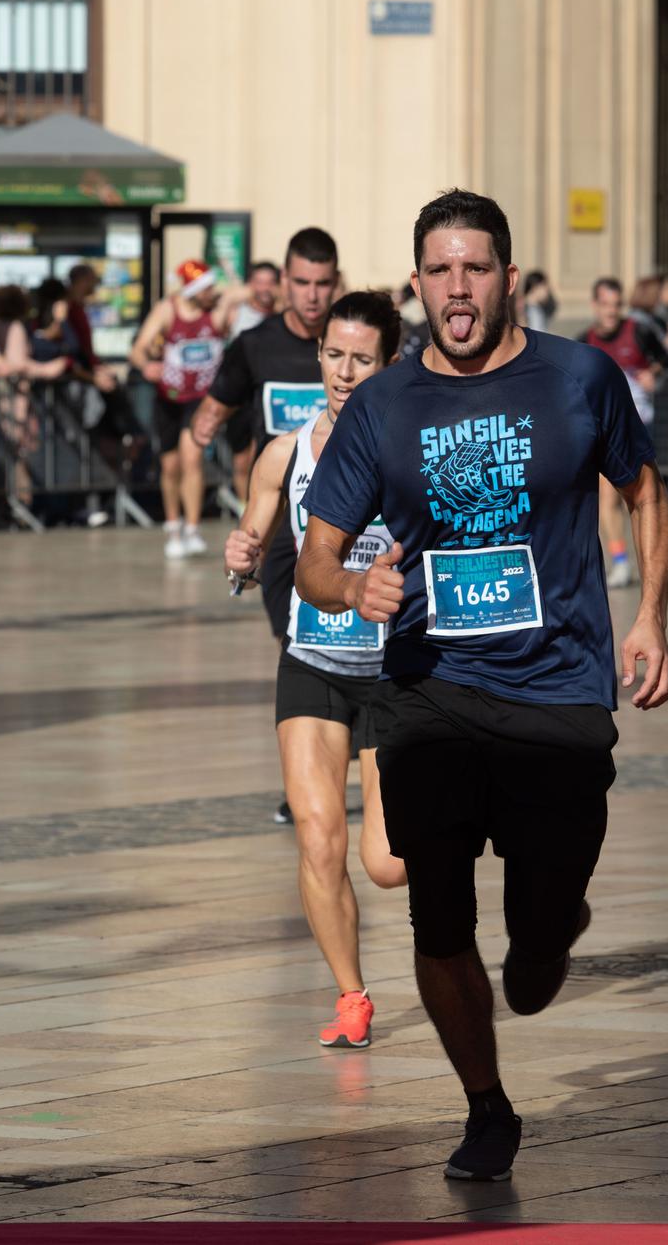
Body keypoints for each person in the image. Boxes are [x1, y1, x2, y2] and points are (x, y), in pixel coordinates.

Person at [297, 189, 668, 1184]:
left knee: (536, 952)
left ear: (508, 278)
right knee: (437, 909)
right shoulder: (381, 404)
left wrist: (649, 617)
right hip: (427, 686)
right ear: (414, 282)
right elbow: (314, 561)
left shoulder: (579, 377)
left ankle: (552, 931)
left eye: (474, 268)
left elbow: (644, 489)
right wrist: (351, 584)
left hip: (557, 691)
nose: (456, 288)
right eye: (438, 270)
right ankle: (485, 1107)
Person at [222, 290, 410, 1050]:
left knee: (389, 864)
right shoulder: (285, 451)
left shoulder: (411, 447)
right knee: (318, 835)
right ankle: (352, 995)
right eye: (334, 354)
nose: (344, 371)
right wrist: (238, 557)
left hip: (394, 669)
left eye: (363, 358)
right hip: (311, 663)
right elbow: (252, 534)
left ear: (390, 362)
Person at [193, 228, 341, 641]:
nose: (312, 295)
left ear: (337, 281)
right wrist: (206, 421)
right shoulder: (255, 345)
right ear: (283, 280)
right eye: (302, 283)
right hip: (282, 523)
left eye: (322, 283)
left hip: (355, 523)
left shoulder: (351, 341)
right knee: (294, 643)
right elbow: (217, 403)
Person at [132, 259, 233, 556]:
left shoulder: (215, 310)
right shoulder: (167, 310)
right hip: (168, 398)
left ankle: (192, 527)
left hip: (200, 398)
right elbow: (139, 348)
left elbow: (241, 292)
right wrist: (146, 365)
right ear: (192, 290)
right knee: (170, 465)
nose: (211, 292)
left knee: (192, 459)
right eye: (206, 288)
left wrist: (228, 272)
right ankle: (173, 526)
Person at [579, 277, 667, 588]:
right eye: (605, 306)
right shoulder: (583, 341)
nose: (611, 312)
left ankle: (650, 567)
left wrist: (651, 374)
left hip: (639, 427)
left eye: (616, 306)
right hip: (603, 432)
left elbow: (667, 359)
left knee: (644, 498)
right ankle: (620, 560)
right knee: (607, 501)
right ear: (595, 306)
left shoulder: (639, 331)